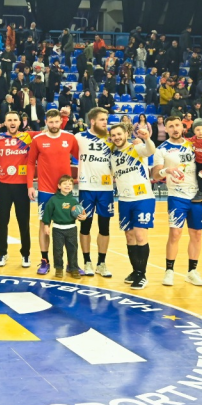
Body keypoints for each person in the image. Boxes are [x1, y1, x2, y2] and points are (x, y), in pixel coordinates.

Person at [153, 115, 202, 287]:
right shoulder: (161, 149)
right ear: (166, 129)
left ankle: (192, 272)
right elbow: (155, 174)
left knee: (197, 234)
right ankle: (169, 271)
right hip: (177, 195)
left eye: (177, 125)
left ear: (183, 127)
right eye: (171, 126)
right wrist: (167, 171)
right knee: (175, 233)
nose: (175, 129)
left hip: (198, 196)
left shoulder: (193, 144)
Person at [26, 109, 79, 275]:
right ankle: (45, 260)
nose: (54, 125)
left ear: (61, 121)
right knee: (44, 224)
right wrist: (30, 186)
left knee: (69, 225)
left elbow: (82, 158)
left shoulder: (69, 138)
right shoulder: (38, 140)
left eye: (57, 122)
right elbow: (30, 163)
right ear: (46, 122)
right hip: (45, 190)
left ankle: (71, 263)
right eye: (51, 122)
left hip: (66, 191)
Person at [109, 122, 157, 289]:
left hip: (143, 198)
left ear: (126, 134)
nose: (116, 137)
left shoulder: (136, 147)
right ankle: (136, 271)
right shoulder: (113, 155)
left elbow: (150, 151)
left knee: (140, 236)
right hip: (124, 199)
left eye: (119, 134)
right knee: (129, 237)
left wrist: (147, 139)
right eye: (113, 135)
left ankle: (142, 275)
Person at [72, 108, 115, 278]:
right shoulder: (79, 137)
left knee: (104, 227)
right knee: (85, 226)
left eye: (106, 119)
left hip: (106, 189)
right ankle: (87, 261)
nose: (105, 122)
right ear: (92, 121)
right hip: (86, 188)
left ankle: (101, 263)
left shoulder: (111, 138)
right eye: (102, 119)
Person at [0, 112, 33, 267]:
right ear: (5, 123)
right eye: (9, 120)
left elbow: (50, 131)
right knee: (2, 222)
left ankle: (25, 254)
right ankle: (2, 254)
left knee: (23, 222)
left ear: (20, 122)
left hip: (22, 187)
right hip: (3, 187)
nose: (12, 122)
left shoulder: (28, 137)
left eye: (15, 120)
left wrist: (65, 118)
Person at [41, 175, 87, 278]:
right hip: (58, 229)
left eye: (70, 184)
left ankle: (73, 268)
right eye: (65, 184)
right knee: (57, 250)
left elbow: (80, 214)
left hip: (71, 229)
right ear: (59, 186)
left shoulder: (74, 201)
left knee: (73, 250)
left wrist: (83, 217)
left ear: (72, 186)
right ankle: (58, 268)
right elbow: (47, 213)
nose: (67, 186)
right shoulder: (53, 200)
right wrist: (46, 225)